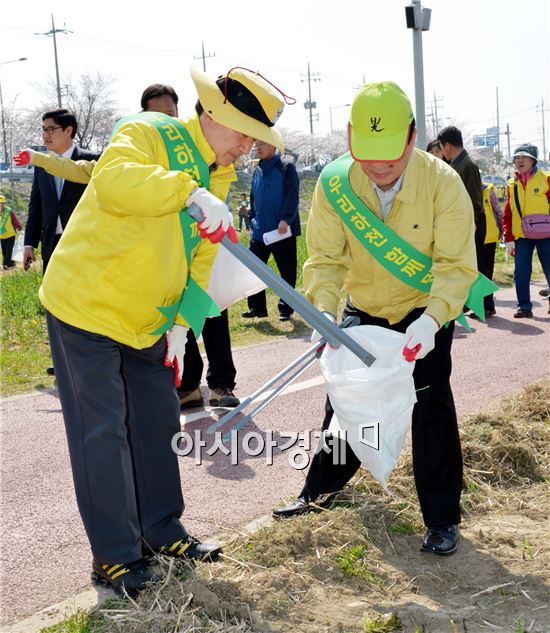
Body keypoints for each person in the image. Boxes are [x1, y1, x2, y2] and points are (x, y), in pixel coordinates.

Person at [36, 66, 291, 597]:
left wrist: (181, 324)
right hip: (88, 306)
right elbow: (114, 179)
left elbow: (199, 260)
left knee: (155, 423)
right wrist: (187, 191)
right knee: (103, 433)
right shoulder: (147, 131)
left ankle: (161, 531)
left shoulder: (217, 175)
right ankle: (114, 557)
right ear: (215, 114)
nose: (246, 147)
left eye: (256, 139)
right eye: (244, 132)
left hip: (149, 319)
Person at [272, 81, 478, 558]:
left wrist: (431, 321)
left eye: (391, 157)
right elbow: (324, 258)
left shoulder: (443, 183)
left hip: (422, 314)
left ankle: (442, 519)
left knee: (430, 411)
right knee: (345, 405)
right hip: (362, 311)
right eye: (368, 157)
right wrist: (323, 311)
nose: (380, 169)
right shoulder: (335, 182)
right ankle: (318, 493)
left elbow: (455, 267)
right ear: (348, 140)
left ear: (411, 138)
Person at [15, 85, 242, 410]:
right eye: (158, 116)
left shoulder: (210, 166)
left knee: (210, 315)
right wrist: (40, 160)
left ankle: (221, 382)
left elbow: (203, 253)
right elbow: (93, 172)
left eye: (171, 115)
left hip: (195, 264)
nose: (167, 122)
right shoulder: (136, 150)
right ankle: (188, 385)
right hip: (138, 285)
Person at [22, 109, 101, 273]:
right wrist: (29, 244)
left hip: (84, 242)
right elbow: (36, 207)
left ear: (68, 130)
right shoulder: (42, 165)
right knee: (52, 295)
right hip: (51, 242)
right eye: (43, 129)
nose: (45, 135)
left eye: (51, 129)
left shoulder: (92, 160)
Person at [242, 140, 300, 322]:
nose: (256, 147)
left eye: (261, 144)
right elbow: (253, 196)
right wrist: (252, 218)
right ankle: (257, 307)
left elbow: (292, 195)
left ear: (274, 146)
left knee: (287, 271)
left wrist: (286, 219)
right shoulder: (258, 170)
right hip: (259, 232)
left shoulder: (286, 167)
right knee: (253, 269)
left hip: (281, 231)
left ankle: (286, 308)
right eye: (256, 144)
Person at [437, 126, 491, 315]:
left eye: (441, 148)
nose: (442, 153)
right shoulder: (459, 164)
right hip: (465, 221)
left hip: (472, 221)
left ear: (448, 145)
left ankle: (486, 304)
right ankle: (476, 302)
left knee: (477, 265)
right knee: (470, 264)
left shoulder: (466, 165)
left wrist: (472, 223)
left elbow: (474, 198)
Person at [503, 144, 550, 317]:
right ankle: (524, 306)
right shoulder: (511, 184)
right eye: (516, 157)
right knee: (521, 272)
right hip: (522, 235)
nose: (519, 160)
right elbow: (507, 212)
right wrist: (508, 236)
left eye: (523, 157)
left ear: (533, 160)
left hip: (546, 234)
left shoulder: (546, 179)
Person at [480, 182, 503, 317]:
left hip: (488, 237)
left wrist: (501, 231)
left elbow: (498, 211)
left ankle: (488, 306)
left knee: (485, 272)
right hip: (475, 237)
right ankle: (485, 306)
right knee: (481, 272)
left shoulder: (489, 191)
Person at [0, 194, 23, 269]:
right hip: (2, 235)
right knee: (4, 251)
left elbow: (15, 220)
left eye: (3, 203)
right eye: (0, 203)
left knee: (9, 250)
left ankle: (7, 265)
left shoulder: (9, 211)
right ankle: (11, 263)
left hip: (11, 234)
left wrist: (19, 227)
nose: (2, 205)